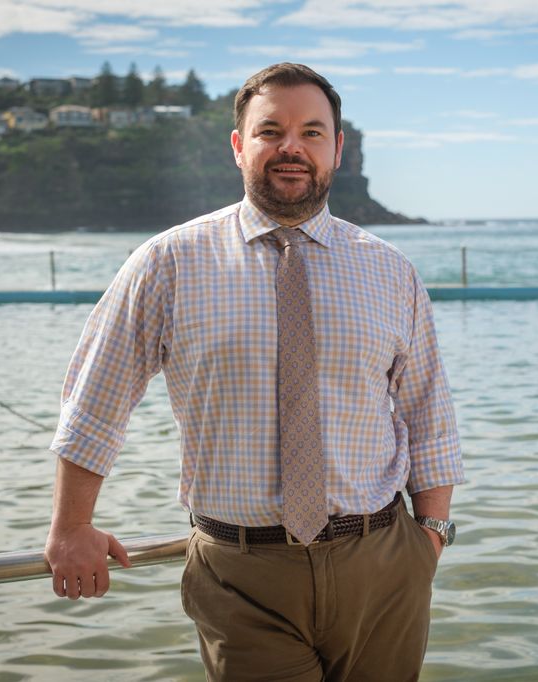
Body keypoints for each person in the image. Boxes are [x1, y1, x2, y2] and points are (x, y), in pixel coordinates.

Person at [44, 62, 465, 681]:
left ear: (337, 149)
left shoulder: (390, 271)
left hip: (384, 566)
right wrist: (71, 526)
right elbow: (95, 400)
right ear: (239, 145)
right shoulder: (168, 262)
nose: (292, 147)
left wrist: (429, 537)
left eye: (311, 132)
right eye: (271, 131)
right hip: (241, 577)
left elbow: (428, 413)